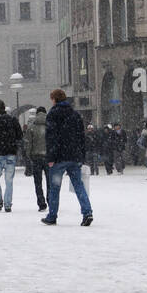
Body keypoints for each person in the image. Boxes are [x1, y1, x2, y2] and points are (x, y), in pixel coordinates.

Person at [43, 89, 93, 226]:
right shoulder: (75, 114)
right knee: (78, 185)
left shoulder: (52, 114)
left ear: (54, 99)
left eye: (52, 99)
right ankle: (87, 212)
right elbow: (81, 137)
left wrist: (51, 157)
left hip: (59, 157)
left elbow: (51, 138)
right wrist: (81, 155)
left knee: (54, 187)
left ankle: (52, 216)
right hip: (74, 156)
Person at [0, 99, 23, 212]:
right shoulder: (13, 120)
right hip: (11, 154)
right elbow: (20, 135)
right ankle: (8, 204)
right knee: (9, 180)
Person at [23, 108, 49, 211]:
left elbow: (29, 144)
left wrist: (29, 155)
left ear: (37, 114)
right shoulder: (50, 126)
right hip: (48, 157)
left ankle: (41, 203)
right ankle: (51, 200)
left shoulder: (32, 127)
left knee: (38, 182)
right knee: (50, 181)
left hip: (36, 157)